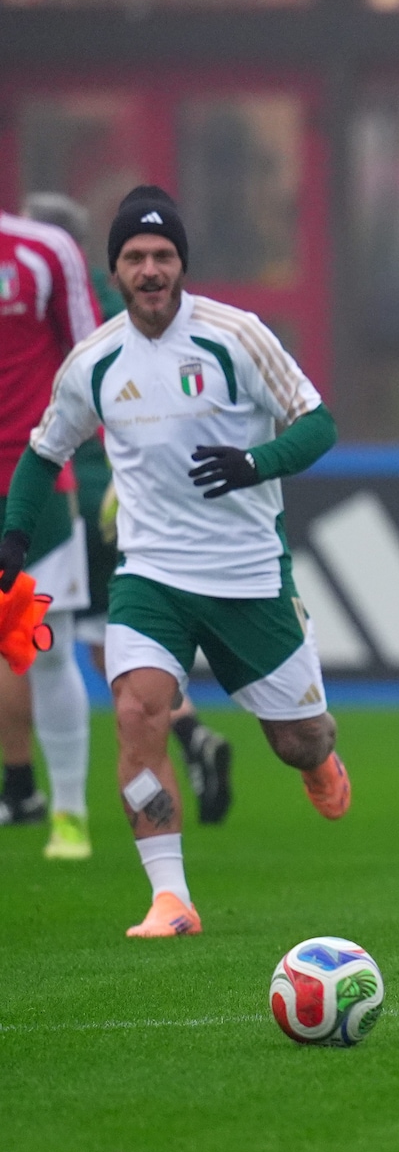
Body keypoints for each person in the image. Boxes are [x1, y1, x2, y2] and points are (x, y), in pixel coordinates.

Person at [0, 185, 347, 938]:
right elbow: (42, 454)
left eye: (163, 255)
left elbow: (319, 424)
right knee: (136, 712)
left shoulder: (237, 334)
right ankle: (170, 896)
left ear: (181, 263)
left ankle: (320, 757)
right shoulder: (93, 361)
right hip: (151, 574)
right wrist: (14, 539)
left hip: (250, 574)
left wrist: (257, 461)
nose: (150, 269)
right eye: (135, 257)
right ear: (115, 270)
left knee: (299, 739)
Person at [22, 193, 233, 834]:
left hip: (68, 493)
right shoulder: (126, 301)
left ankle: (35, 796)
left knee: (59, 650)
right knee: (120, 648)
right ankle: (191, 732)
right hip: (123, 500)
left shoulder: (70, 306)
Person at [0, 199, 96, 857]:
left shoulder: (45, 251)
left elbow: (94, 358)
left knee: (41, 646)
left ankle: (68, 811)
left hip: (32, 482)